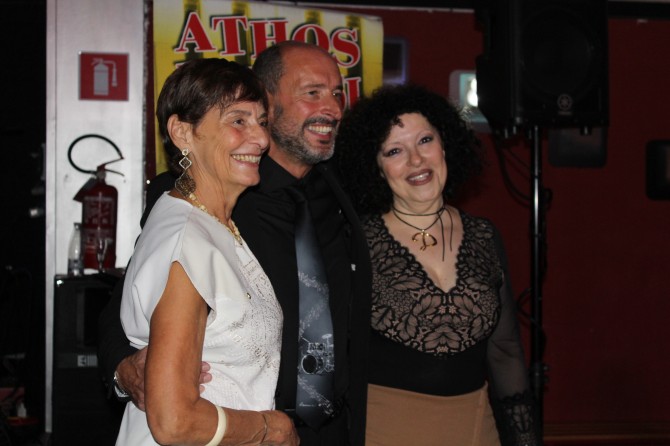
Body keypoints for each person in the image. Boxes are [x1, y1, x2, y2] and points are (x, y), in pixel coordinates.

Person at [98, 41, 371, 445]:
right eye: (312, 93)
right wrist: (125, 370)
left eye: (336, 93)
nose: (331, 108)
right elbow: (129, 302)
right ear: (269, 99)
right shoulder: (197, 199)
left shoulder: (347, 193)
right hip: (234, 425)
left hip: (329, 429)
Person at [334, 84, 539, 446]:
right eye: (395, 150)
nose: (416, 160)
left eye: (425, 140)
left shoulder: (484, 236)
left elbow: (505, 350)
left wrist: (525, 440)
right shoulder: (355, 242)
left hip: (476, 431)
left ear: (445, 145)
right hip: (383, 432)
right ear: (377, 168)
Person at [114, 58, 298, 445]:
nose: (261, 139)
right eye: (238, 121)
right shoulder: (187, 240)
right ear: (183, 132)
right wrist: (271, 429)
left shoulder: (212, 224)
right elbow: (175, 422)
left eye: (262, 121)